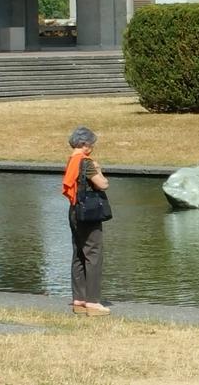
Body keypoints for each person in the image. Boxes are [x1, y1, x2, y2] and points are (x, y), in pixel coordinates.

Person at [61, 126, 111, 316]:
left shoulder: (71, 161)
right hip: (89, 212)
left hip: (74, 210)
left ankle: (79, 299)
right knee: (94, 254)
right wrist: (99, 170)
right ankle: (93, 301)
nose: (92, 147)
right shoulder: (86, 162)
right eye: (91, 144)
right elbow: (102, 184)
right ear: (83, 144)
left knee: (79, 254)